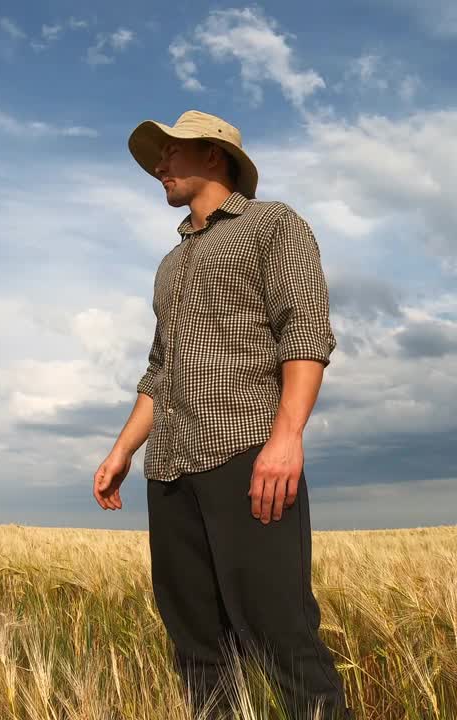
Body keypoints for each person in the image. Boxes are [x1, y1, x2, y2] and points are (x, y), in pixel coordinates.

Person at [92, 109, 352, 720]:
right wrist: (122, 450)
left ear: (213, 156)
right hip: (170, 467)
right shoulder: (170, 264)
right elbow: (161, 370)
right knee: (195, 643)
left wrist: (286, 439)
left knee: (279, 631)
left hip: (247, 454)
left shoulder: (272, 225)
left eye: (169, 154)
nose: (158, 166)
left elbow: (306, 330)